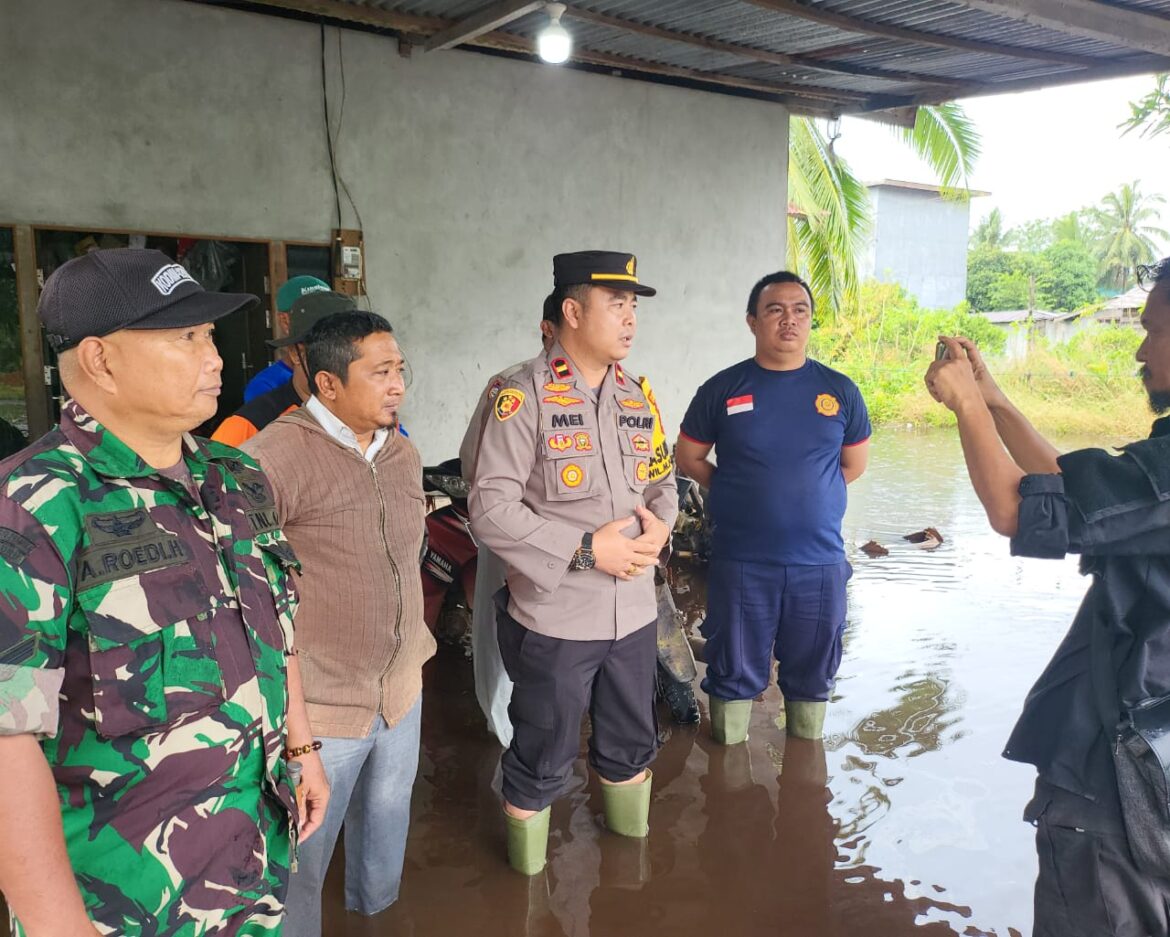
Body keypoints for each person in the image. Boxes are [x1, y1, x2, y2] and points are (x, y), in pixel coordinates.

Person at [0, 248, 328, 936]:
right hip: (124, 903)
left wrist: (302, 746)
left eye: (209, 335)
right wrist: (59, 925)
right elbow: (5, 742)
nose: (213, 358)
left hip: (254, 867)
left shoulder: (237, 477)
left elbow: (277, 624)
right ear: (101, 360)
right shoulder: (32, 504)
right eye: (185, 337)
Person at [924, 258, 1170, 936]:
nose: (1140, 348)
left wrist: (966, 406)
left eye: (1152, 331)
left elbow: (1018, 509)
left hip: (1121, 780)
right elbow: (1068, 489)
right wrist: (996, 400)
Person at [469, 250, 678, 875]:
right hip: (555, 618)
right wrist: (589, 550)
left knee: (632, 741)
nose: (630, 318)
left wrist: (661, 526)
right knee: (541, 754)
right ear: (571, 311)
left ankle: (627, 879)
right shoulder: (519, 395)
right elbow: (488, 508)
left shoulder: (637, 393)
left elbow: (662, 481)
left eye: (634, 305)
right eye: (616, 303)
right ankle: (527, 893)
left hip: (635, 614)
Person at [242, 310, 436, 935]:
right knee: (302, 858)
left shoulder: (401, 452)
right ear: (327, 384)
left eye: (399, 370)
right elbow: (239, 586)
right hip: (322, 706)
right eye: (380, 373)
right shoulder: (272, 458)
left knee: (386, 831)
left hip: (401, 691)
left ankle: (376, 917)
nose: (397, 385)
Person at [675, 271, 870, 744]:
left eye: (800, 310)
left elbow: (852, 466)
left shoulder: (839, 391)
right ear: (752, 321)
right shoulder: (723, 389)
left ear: (810, 321)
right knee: (732, 671)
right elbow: (690, 458)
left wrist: (804, 493)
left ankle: (805, 769)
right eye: (775, 310)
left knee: (812, 674)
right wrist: (739, 490)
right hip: (742, 561)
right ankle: (729, 775)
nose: (789, 320)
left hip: (819, 563)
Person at [459, 311, 557, 749]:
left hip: (586, 549)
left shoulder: (617, 389)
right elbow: (474, 463)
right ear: (549, 328)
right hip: (514, 532)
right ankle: (503, 728)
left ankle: (534, 726)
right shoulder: (511, 388)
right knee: (504, 628)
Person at [213, 291, 355, 447]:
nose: (345, 363)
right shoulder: (251, 425)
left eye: (356, 354)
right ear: (295, 354)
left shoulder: (373, 415)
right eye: (331, 350)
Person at [243, 275, 331, 401]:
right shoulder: (264, 386)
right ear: (285, 321)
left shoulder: (345, 375)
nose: (326, 323)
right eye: (310, 314)